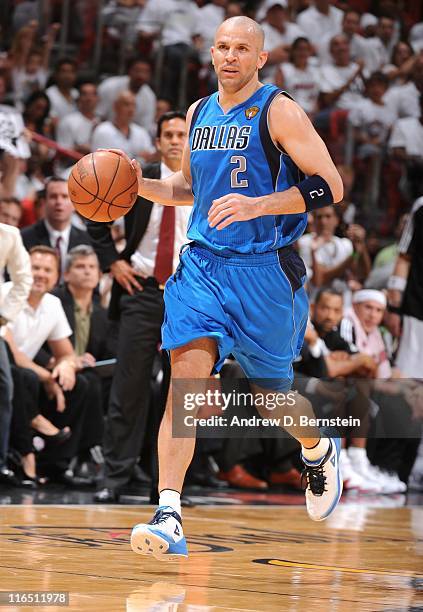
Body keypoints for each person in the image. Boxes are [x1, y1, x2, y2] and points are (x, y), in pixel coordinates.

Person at [107, 16, 344, 559]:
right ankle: (169, 513)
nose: (230, 56)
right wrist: (133, 185)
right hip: (203, 269)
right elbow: (188, 188)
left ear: (261, 57)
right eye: (221, 47)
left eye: (242, 48)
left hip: (265, 273)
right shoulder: (198, 112)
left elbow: (329, 186)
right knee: (186, 387)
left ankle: (315, 444)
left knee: (273, 401)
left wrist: (258, 205)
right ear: (211, 54)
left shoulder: (279, 110)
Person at [87, 111, 192, 503]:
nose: (175, 139)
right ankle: (113, 479)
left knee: (179, 394)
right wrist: (112, 261)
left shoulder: (201, 179)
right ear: (159, 139)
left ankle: (166, 488)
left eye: (182, 133)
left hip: (187, 296)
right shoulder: (135, 177)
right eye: (168, 134)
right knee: (128, 387)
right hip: (141, 292)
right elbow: (94, 218)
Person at [0, 222, 32, 485]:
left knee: (4, 387)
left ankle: (1, 460)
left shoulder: (8, 235)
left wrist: (4, 316)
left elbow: (23, 280)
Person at [21, 176, 92, 281]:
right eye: (53, 196)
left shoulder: (87, 240)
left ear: (74, 203)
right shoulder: (24, 237)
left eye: (64, 197)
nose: (59, 202)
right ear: (44, 202)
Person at [91, 90, 154, 164]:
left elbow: (150, 156)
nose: (131, 109)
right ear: (115, 106)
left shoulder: (141, 132)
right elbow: (101, 161)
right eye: (126, 104)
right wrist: (138, 158)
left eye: (133, 105)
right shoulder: (102, 130)